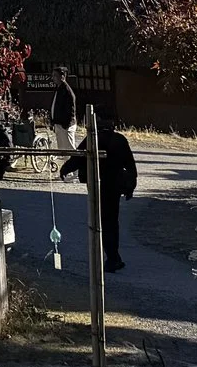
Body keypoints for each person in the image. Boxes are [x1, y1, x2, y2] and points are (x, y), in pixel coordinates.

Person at [60, 116, 140, 272]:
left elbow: (77, 158)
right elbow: (131, 166)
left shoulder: (92, 140)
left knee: (100, 222)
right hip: (114, 187)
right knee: (112, 222)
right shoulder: (120, 140)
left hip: (98, 186)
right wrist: (130, 187)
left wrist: (65, 169)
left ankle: (107, 257)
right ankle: (113, 257)